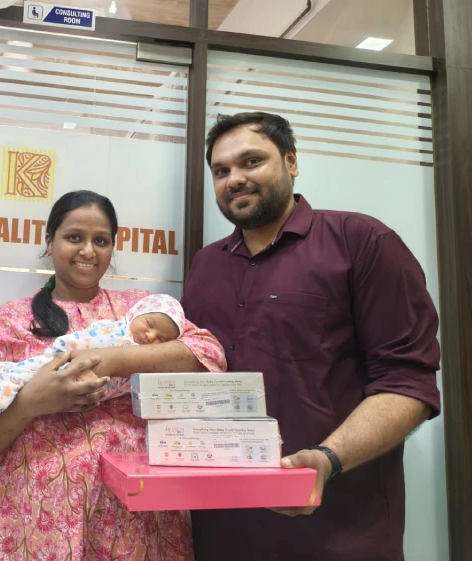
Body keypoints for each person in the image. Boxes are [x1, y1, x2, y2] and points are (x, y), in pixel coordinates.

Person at [181, 112, 441, 560]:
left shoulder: (361, 241)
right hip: (223, 530)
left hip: (338, 531)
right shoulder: (206, 265)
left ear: (291, 162)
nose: (235, 179)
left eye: (251, 161)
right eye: (221, 171)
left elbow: (407, 384)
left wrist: (327, 458)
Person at [0, 190, 227, 561]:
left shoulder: (139, 310)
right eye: (74, 237)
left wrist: (109, 360)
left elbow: (208, 355)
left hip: (131, 521)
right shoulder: (14, 318)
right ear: (49, 241)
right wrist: (32, 402)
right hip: (28, 520)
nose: (88, 251)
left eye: (101, 241)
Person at [0, 293, 186, 416]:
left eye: (162, 338)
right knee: (25, 376)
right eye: (149, 324)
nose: (151, 336)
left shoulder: (138, 300)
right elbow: (76, 344)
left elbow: (203, 351)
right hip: (60, 366)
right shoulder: (115, 329)